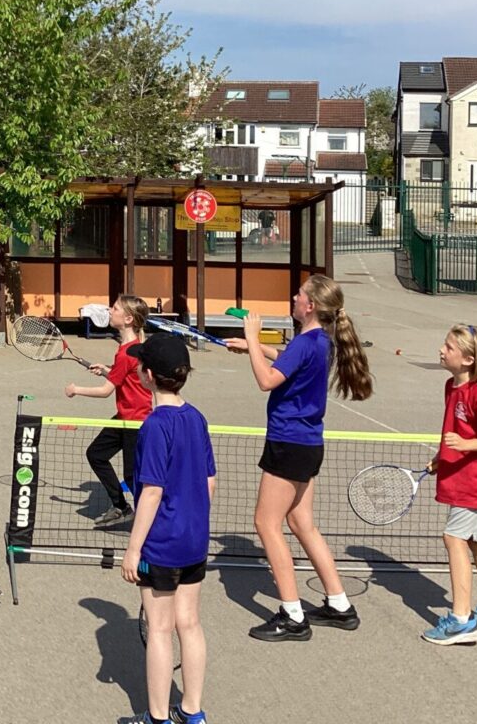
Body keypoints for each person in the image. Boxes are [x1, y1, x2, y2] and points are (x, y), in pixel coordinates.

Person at [226, 275, 373, 641]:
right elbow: (288, 362)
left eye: (300, 294)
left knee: (266, 524)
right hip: (307, 443)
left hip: (288, 442)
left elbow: (266, 381)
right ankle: (339, 604)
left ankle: (292, 615)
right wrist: (254, 349)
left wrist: (253, 339)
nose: (294, 297)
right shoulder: (319, 341)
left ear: (311, 306)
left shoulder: (307, 342)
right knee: (302, 523)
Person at [120, 333, 215, 724]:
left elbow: (152, 492)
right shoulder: (196, 418)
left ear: (147, 375)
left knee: (159, 628)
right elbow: (210, 481)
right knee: (189, 623)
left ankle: (157, 717)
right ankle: (192, 710)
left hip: (161, 543)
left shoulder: (154, 426)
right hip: (194, 539)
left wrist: (133, 549)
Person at [421, 324, 477, 646]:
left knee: (453, 538)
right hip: (459, 477)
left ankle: (461, 619)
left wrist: (464, 445)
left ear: (469, 359)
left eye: (449, 347)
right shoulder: (451, 386)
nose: (441, 350)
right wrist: (442, 457)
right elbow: (455, 431)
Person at [65, 294, 151, 527]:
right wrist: (107, 370)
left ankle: (155, 521)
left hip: (135, 421)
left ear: (128, 319)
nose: (110, 311)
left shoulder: (126, 353)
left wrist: (76, 390)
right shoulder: (132, 348)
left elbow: (105, 391)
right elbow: (128, 376)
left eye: (115, 308)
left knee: (132, 477)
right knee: (96, 454)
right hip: (124, 417)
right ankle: (121, 507)